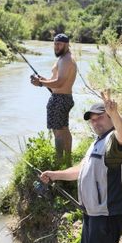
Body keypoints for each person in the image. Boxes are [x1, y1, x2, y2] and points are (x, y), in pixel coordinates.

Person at [40, 90, 122, 243]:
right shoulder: (97, 142)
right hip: (91, 213)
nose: (95, 122)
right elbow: (81, 169)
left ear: (110, 117)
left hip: (107, 213)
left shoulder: (114, 140)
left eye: (99, 116)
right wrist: (55, 174)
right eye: (92, 119)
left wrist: (116, 114)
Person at [30, 33, 77, 162]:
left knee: (58, 133)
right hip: (63, 98)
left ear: (67, 44)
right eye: (55, 44)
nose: (56, 46)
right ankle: (67, 160)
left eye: (59, 44)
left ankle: (59, 161)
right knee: (64, 129)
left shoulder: (66, 59)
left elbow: (60, 82)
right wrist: (42, 80)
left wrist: (41, 83)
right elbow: (55, 82)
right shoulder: (64, 58)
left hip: (60, 100)